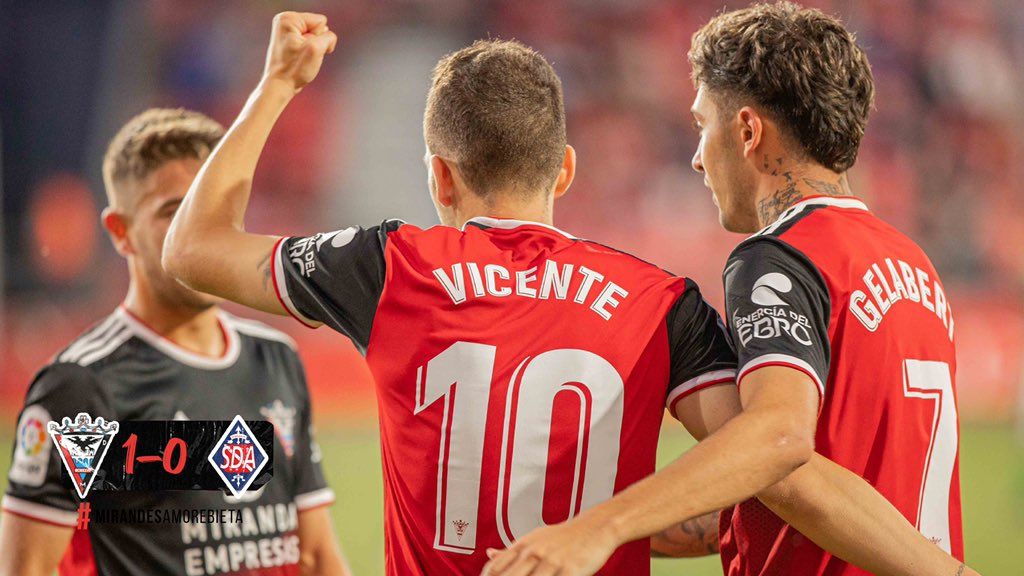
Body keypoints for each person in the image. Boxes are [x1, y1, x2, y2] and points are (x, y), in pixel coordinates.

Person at [163, 12, 975, 576]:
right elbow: (776, 466)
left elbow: (193, 249)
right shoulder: (661, 303)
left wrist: (276, 84)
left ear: (440, 174)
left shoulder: (390, 266)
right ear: (566, 170)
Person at [485, 2, 974, 576]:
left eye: (701, 125)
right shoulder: (911, 263)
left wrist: (602, 527)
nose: (696, 158)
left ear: (746, 130)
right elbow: (820, 487)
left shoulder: (779, 257)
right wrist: (576, 526)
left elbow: (778, 443)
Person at [0, 109, 350, 576]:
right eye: (174, 212)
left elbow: (316, 555)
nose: (199, 232)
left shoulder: (275, 356)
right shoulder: (81, 387)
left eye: (215, 210)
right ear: (121, 234)